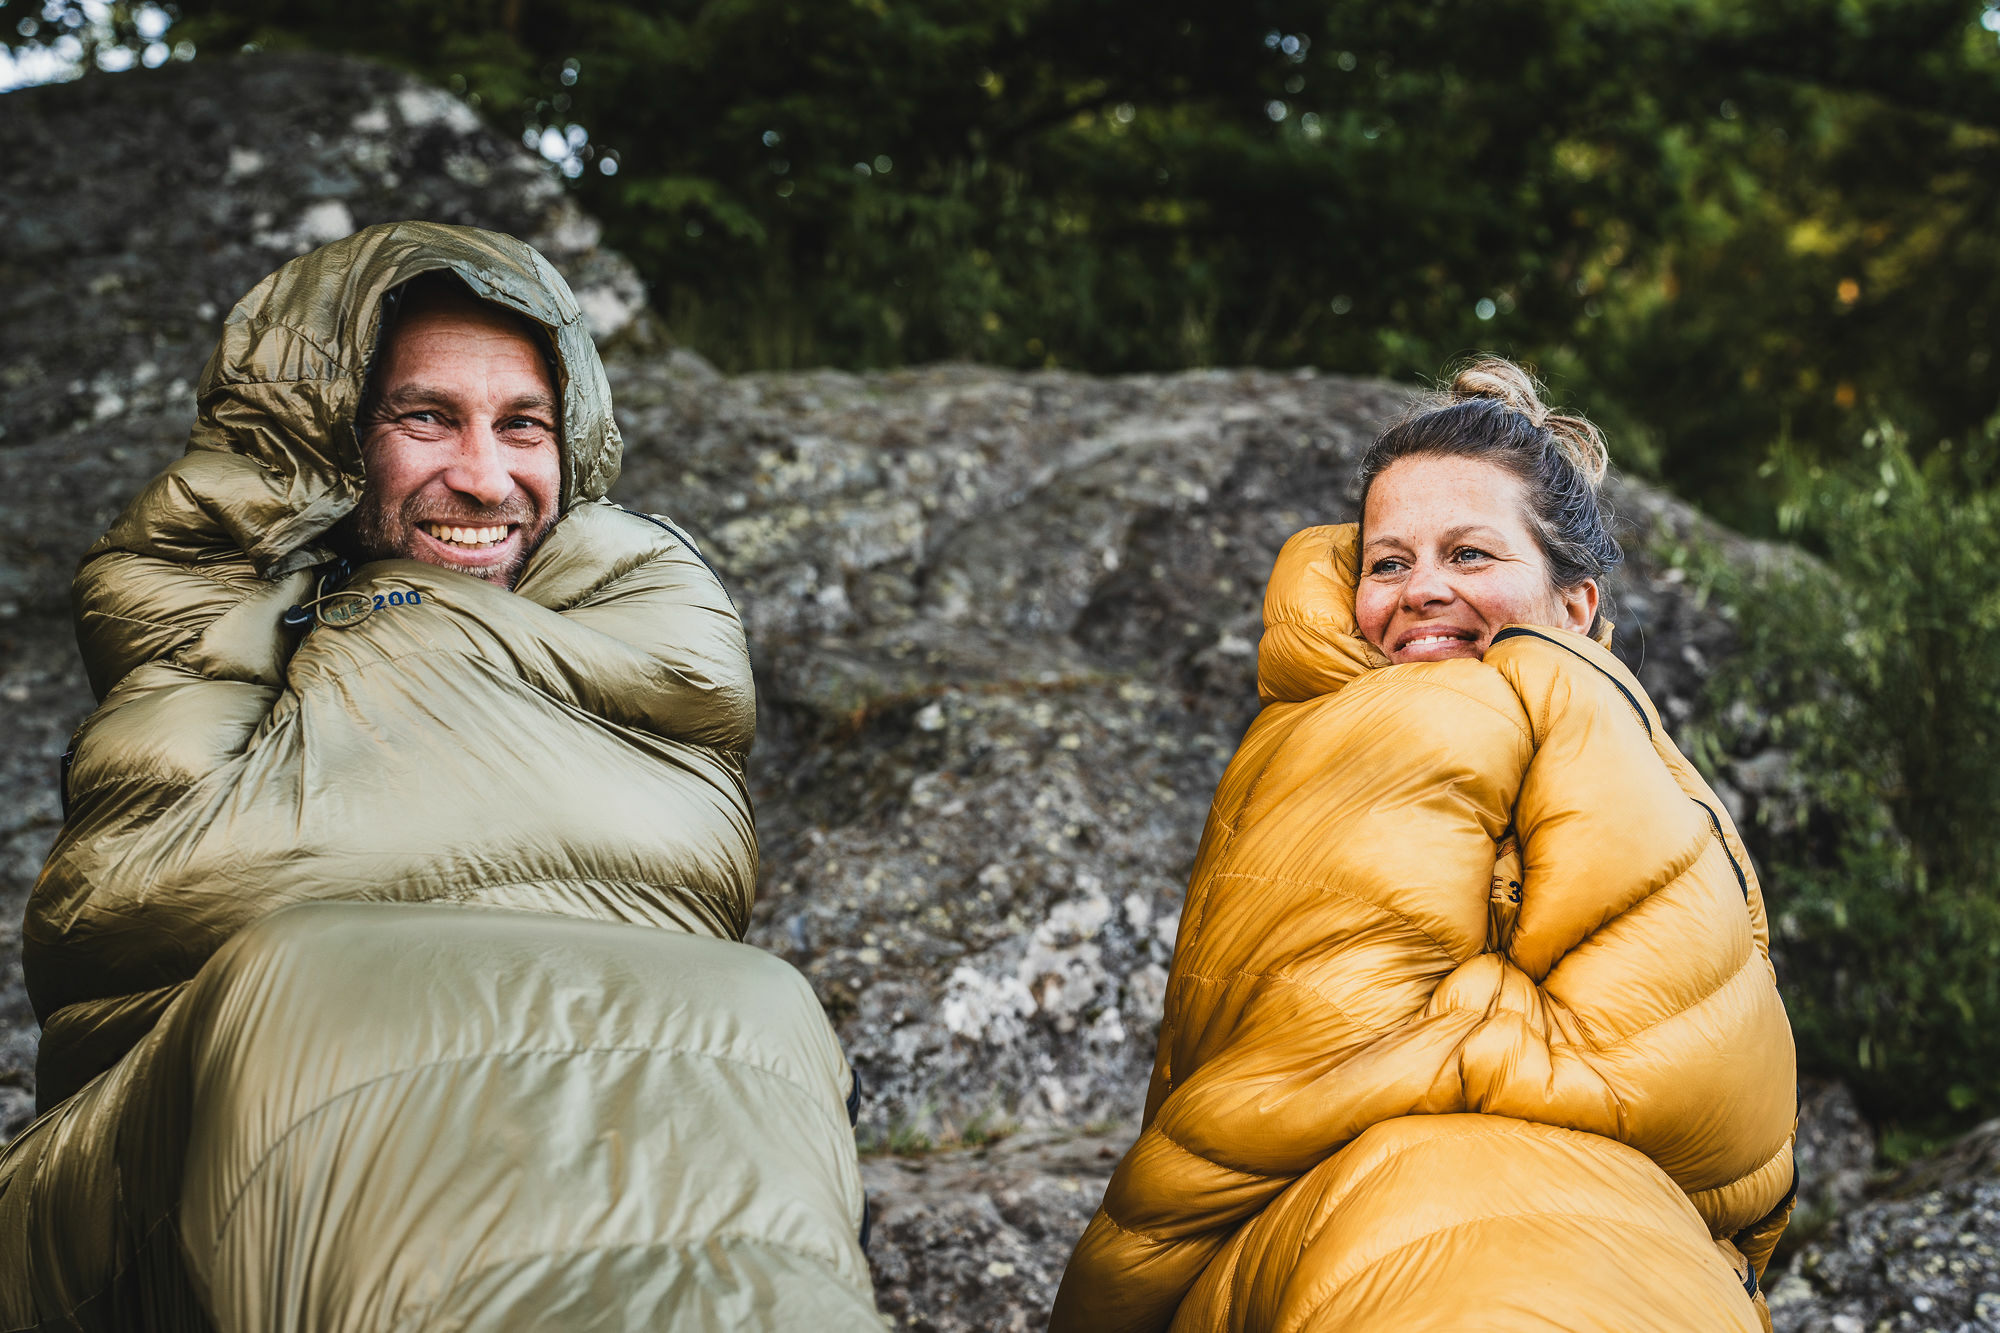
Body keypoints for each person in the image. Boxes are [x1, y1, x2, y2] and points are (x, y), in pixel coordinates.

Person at [0, 222, 880, 1330]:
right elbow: (149, 908)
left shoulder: (643, 615)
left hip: (559, 1113)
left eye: (524, 425)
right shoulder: (207, 613)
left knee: (757, 1009)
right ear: (322, 439)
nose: (483, 480)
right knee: (312, 991)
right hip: (161, 1167)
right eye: (425, 418)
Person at [1051, 359, 1797, 1332]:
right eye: (1388, 562)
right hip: (1300, 1219)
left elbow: (1672, 1051)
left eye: (1470, 555)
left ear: (1573, 609)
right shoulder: (1309, 744)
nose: (1420, 590)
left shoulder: (1597, 747)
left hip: (1546, 1214)